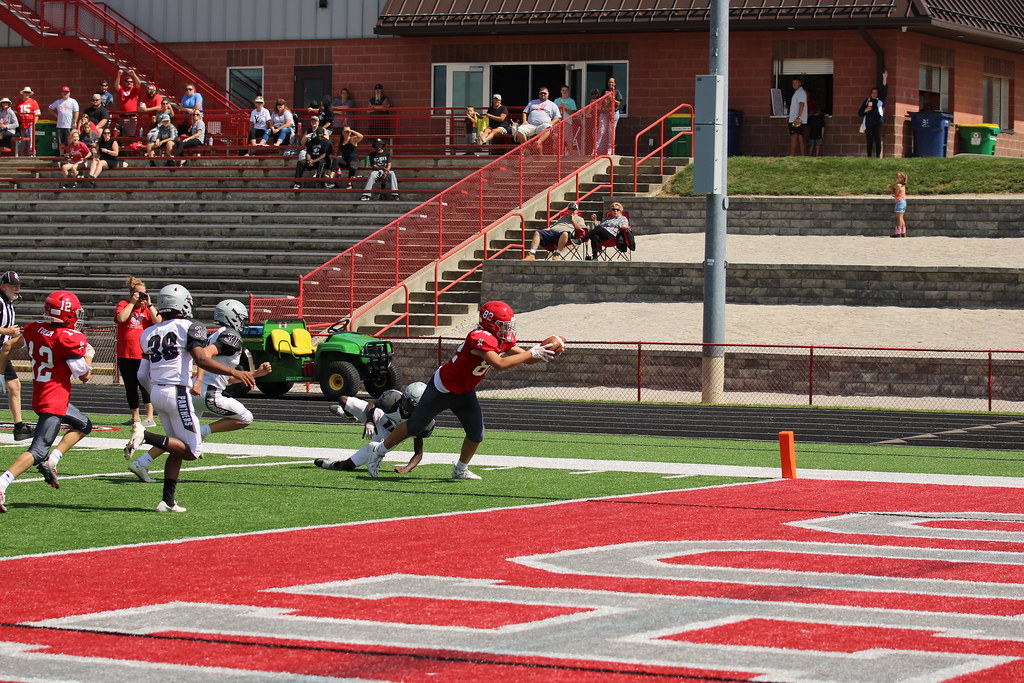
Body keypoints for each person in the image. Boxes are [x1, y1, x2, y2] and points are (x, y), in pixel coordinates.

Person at [353, 301, 555, 480]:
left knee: (476, 433)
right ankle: (378, 450)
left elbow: (526, 359)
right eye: (503, 324)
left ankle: (460, 469)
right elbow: (500, 363)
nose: (507, 329)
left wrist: (544, 352)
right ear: (490, 323)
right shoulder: (478, 337)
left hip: (464, 391)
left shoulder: (500, 338)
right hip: (442, 388)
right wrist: (532, 352)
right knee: (415, 426)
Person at [122, 284, 256, 512]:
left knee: (177, 448)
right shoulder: (191, 327)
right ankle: (146, 436)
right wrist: (235, 372)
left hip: (157, 391)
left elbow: (141, 374)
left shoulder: (148, 332)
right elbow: (201, 360)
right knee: (192, 451)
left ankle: (167, 501)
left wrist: (155, 393)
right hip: (178, 392)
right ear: (184, 303)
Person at [0, 291, 94, 512]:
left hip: (42, 393)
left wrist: (1, 373)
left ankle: (53, 460)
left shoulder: (34, 329)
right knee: (37, 450)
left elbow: (7, 346)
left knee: (84, 424)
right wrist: (89, 353)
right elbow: (84, 376)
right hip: (54, 399)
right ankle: (3, 482)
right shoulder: (68, 338)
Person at [315, 382, 434, 476]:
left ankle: (332, 464)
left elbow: (418, 453)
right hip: (378, 416)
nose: (405, 403)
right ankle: (349, 416)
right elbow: (372, 403)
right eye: (406, 399)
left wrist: (407, 469)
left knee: (348, 466)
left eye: (411, 403)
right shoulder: (392, 400)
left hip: (388, 438)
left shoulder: (423, 422)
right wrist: (370, 421)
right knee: (343, 399)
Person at [114, 276, 160, 427]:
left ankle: (149, 417)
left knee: (145, 385)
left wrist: (150, 303)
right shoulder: (124, 304)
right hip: (125, 353)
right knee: (130, 386)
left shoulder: (147, 309)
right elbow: (121, 318)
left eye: (144, 293)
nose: (142, 296)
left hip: (143, 354)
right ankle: (135, 417)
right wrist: (132, 303)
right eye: (139, 293)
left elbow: (158, 321)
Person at [0, 271, 32, 442]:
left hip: (2, 351)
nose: (17, 288)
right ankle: (19, 426)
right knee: (14, 385)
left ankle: (19, 426)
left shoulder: (7, 302)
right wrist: (8, 331)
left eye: (18, 285)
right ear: (3, 286)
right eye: (13, 286)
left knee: (14, 385)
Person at [292, 117, 332, 189]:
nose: (320, 135)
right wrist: (308, 160)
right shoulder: (312, 141)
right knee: (301, 162)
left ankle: (319, 182)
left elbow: (325, 154)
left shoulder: (326, 142)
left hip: (321, 160)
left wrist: (314, 161)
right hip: (312, 159)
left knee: (321, 162)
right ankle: (297, 183)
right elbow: (308, 151)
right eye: (318, 134)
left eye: (321, 134)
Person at [858, 70, 888, 158]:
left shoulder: (880, 100)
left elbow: (884, 89)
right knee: (869, 141)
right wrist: (865, 110)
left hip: (878, 122)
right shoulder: (867, 101)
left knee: (878, 140)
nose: (874, 94)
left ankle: (878, 156)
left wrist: (884, 78)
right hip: (869, 123)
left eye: (875, 93)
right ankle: (869, 157)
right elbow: (859, 112)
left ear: (878, 94)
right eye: (872, 93)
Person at [48, 86, 79, 156]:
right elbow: (50, 108)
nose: (65, 93)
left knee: (69, 141)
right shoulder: (58, 102)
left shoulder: (73, 101)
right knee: (60, 142)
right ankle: (61, 155)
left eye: (67, 92)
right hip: (60, 125)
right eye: (64, 92)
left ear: (69, 93)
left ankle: (69, 154)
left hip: (69, 125)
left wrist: (74, 122)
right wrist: (56, 115)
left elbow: (76, 112)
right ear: (61, 93)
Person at [114, 68, 141, 136]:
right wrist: (119, 75)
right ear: (124, 83)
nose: (129, 83)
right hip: (122, 116)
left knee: (129, 136)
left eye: (131, 82)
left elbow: (139, 84)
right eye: (127, 81)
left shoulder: (134, 90)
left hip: (131, 117)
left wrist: (134, 75)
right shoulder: (122, 90)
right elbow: (116, 86)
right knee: (117, 133)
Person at [15, 87, 40, 155]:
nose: (26, 94)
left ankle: (31, 154)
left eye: (28, 93)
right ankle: (20, 154)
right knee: (21, 140)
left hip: (30, 124)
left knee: (31, 140)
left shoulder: (34, 102)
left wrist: (33, 124)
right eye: (25, 92)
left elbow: (37, 115)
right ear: (23, 93)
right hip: (22, 124)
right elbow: (15, 115)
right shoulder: (19, 102)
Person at [788, 77, 807, 156]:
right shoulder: (798, 92)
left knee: (794, 137)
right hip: (797, 119)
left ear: (800, 83)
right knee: (800, 137)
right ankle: (803, 155)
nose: (794, 84)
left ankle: (791, 155)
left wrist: (798, 118)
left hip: (797, 120)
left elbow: (802, 104)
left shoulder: (800, 92)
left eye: (796, 83)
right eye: (793, 83)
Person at [888, 171, 908, 238]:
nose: (896, 178)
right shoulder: (903, 185)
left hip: (899, 201)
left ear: (901, 178)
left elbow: (896, 194)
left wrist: (891, 188)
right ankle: (903, 232)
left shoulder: (898, 185)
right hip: (903, 201)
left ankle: (898, 232)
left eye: (897, 177)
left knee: (899, 217)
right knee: (901, 218)